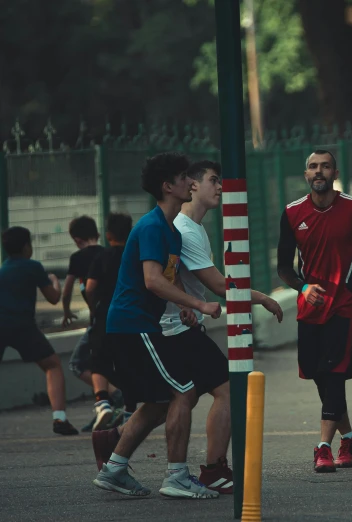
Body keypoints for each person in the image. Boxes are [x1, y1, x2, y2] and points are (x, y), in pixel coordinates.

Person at [92, 151, 222, 499]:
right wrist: (198, 302)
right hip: (132, 325)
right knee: (184, 390)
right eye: (184, 178)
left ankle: (115, 469)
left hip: (139, 325)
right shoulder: (151, 227)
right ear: (168, 186)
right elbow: (151, 280)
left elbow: (167, 277)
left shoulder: (170, 231)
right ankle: (177, 477)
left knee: (158, 402)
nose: (191, 182)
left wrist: (183, 305)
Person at [157, 159, 283, 494]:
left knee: (167, 403)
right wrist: (263, 298)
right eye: (214, 180)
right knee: (226, 391)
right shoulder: (185, 229)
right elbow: (219, 285)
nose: (221, 187)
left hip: (181, 326)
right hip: (175, 329)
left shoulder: (193, 229)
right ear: (193, 185)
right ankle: (212, 468)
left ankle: (116, 460)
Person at [277, 149, 352, 473]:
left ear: (334, 172)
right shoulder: (292, 213)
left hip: (345, 304)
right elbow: (284, 266)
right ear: (306, 175)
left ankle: (323, 447)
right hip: (310, 306)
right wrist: (302, 287)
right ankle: (350, 439)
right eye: (313, 167)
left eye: (325, 166)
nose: (319, 172)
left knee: (335, 372)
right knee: (318, 374)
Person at [0, 226, 78, 435]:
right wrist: (54, 281)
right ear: (27, 247)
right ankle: (59, 418)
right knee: (52, 365)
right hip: (23, 325)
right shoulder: (32, 266)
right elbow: (53, 298)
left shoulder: (2, 269)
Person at [84, 212, 134, 443]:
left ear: (108, 234)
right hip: (131, 315)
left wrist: (93, 309)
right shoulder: (134, 255)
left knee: (99, 360)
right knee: (127, 361)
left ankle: (102, 401)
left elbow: (90, 287)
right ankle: (130, 409)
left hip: (106, 315)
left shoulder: (103, 256)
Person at [62, 216, 109, 420]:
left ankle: (111, 395)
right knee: (104, 362)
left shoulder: (77, 258)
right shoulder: (107, 254)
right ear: (97, 235)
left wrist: (66, 311)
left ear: (77, 240)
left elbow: (67, 290)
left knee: (78, 364)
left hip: (97, 319)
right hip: (113, 316)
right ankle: (108, 398)